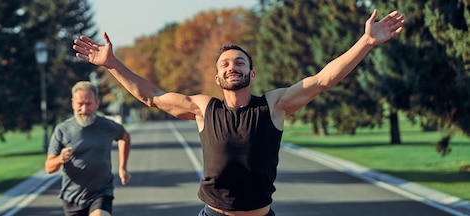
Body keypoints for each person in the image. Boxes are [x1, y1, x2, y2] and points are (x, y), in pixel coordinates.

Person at [73, 9, 404, 216]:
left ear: (251, 74)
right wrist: (112, 64)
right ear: (217, 77)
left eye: (240, 62)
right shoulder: (204, 108)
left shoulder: (273, 105)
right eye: (225, 64)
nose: (233, 67)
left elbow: (322, 80)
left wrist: (366, 43)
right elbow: (153, 97)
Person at [45, 81, 132, 216]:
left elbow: (125, 138)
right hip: (72, 197)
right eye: (80, 104)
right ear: (73, 103)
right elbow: (49, 167)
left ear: (97, 102)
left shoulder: (107, 126)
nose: (84, 110)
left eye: (89, 104)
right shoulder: (62, 130)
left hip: (101, 192)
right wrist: (60, 159)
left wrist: (123, 168)